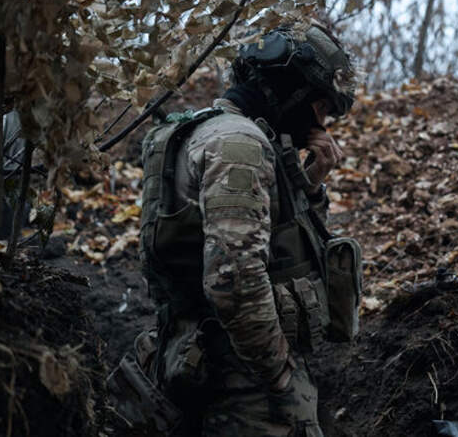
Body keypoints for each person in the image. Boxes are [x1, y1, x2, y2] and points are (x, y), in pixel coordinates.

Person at [109, 21, 363, 437]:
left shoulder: (206, 129)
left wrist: (310, 183)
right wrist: (280, 376)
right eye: (321, 107)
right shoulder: (239, 144)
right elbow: (235, 280)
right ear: (292, 91)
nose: (322, 124)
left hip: (194, 352)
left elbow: (277, 241)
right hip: (242, 381)